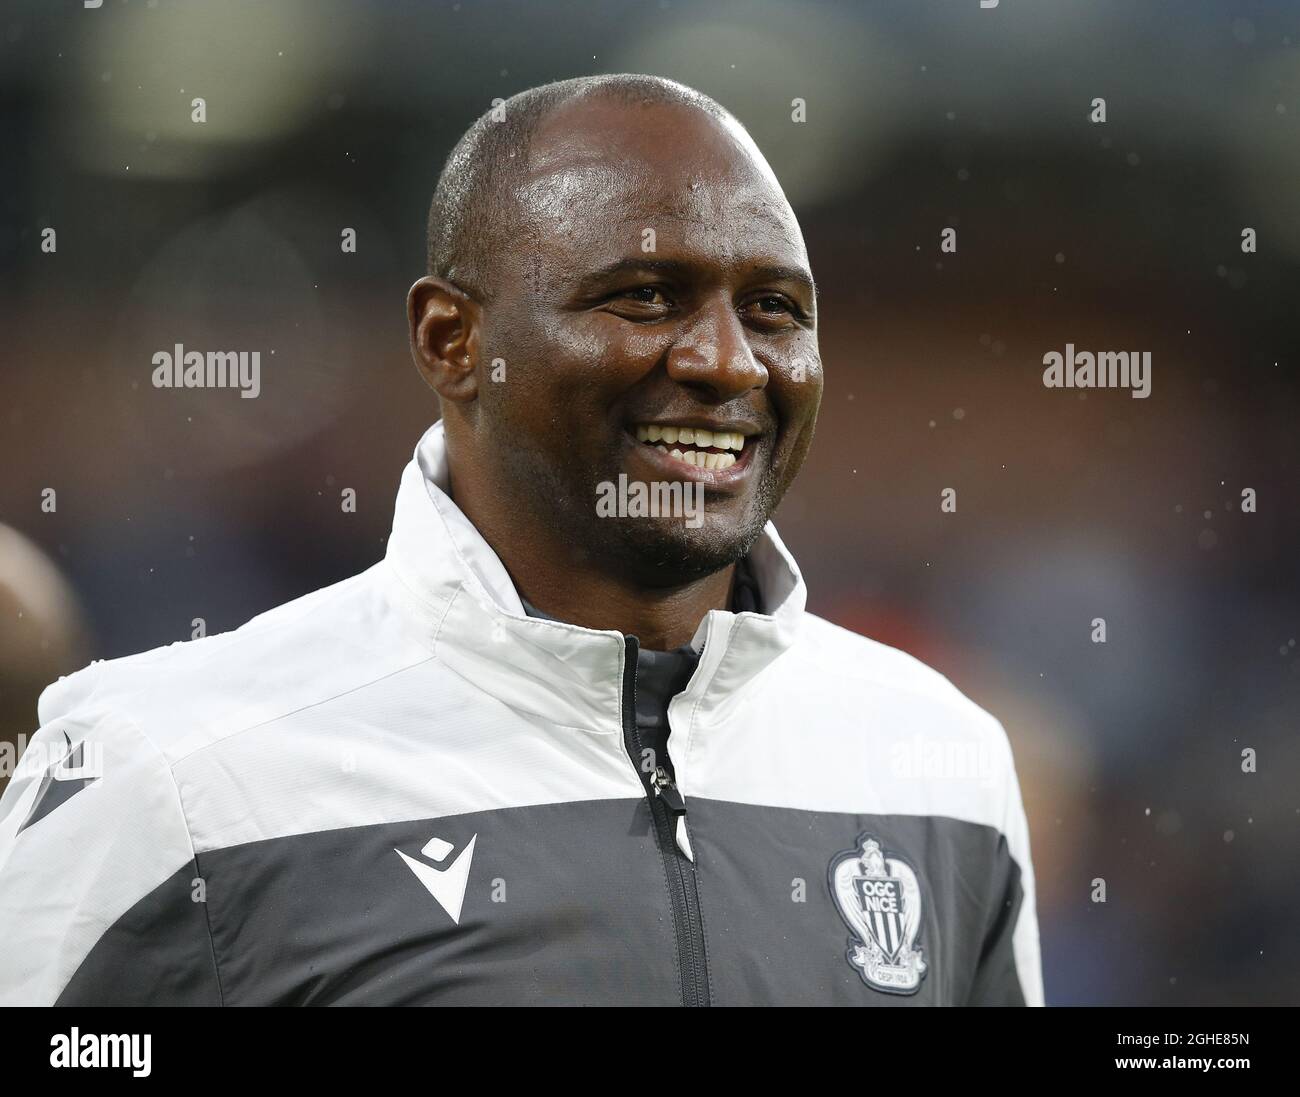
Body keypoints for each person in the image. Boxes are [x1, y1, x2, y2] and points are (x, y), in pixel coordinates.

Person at [0, 74, 1041, 1005]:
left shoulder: (938, 766)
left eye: (773, 308)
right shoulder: (171, 767)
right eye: (645, 295)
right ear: (453, 340)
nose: (729, 361)